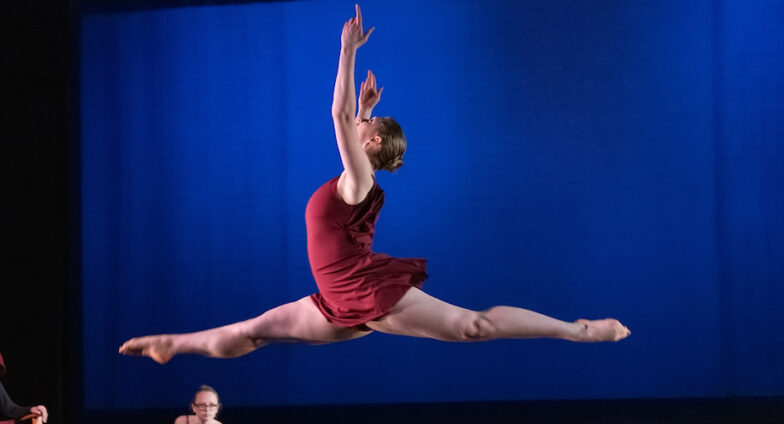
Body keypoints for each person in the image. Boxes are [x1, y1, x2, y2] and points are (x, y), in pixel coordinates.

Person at [119, 5, 629, 365]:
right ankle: (170, 343)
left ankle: (577, 331)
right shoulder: (356, 174)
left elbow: (338, 116)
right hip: (336, 298)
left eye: (369, 123)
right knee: (250, 335)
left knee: (474, 326)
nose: (361, 122)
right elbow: (351, 127)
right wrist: (365, 111)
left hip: (361, 291)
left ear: (372, 142)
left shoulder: (360, 177)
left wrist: (347, 50)